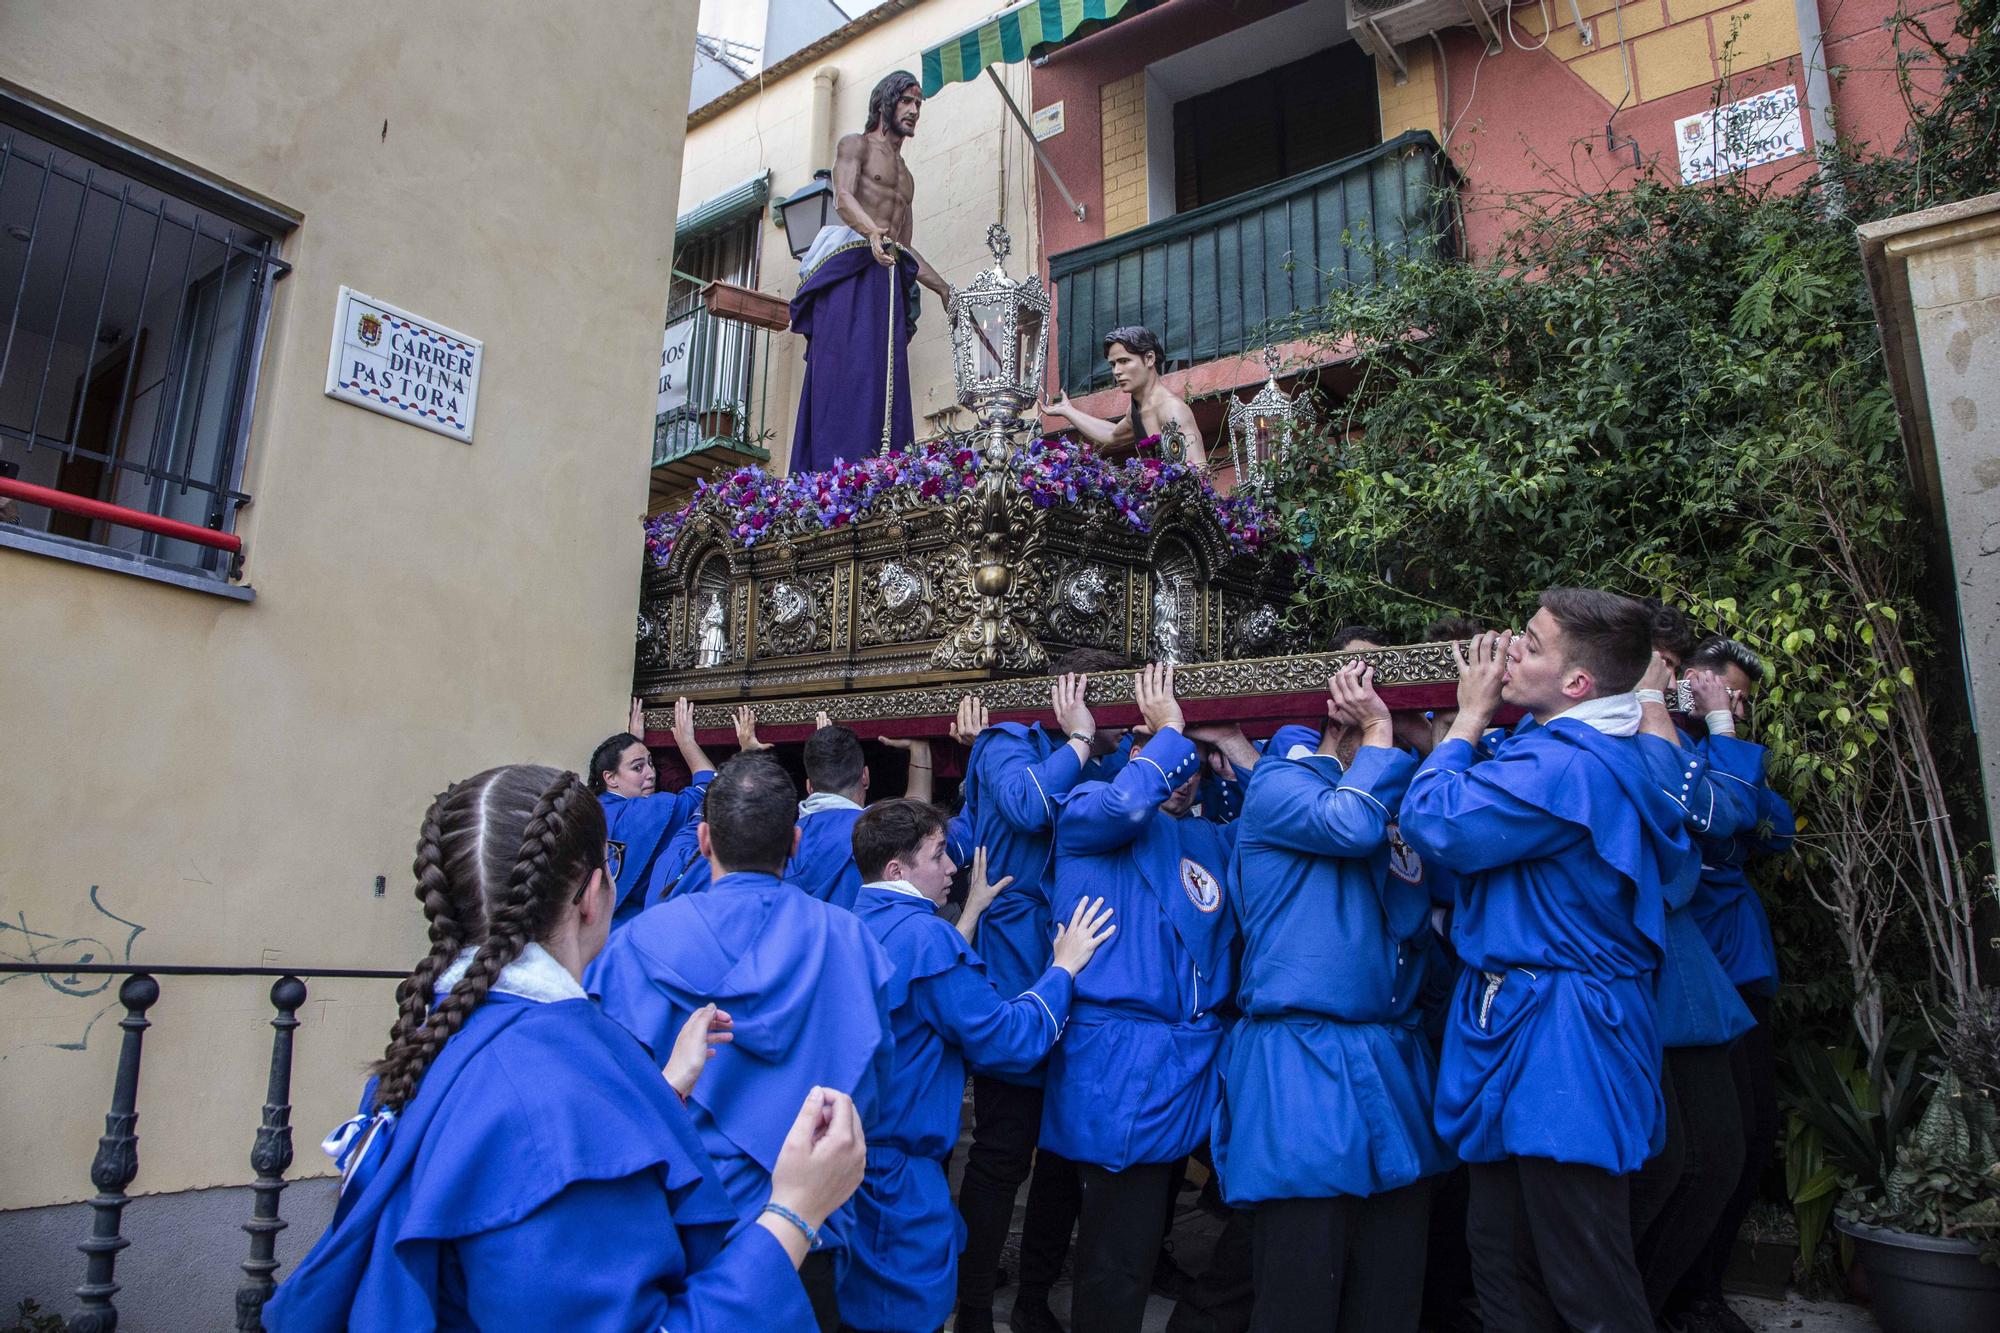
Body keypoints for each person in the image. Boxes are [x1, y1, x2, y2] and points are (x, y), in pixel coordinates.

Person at [262, 764, 863, 1332]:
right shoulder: (554, 1095)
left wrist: (665, 1090)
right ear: (593, 894)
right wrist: (795, 1211)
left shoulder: (446, 1033)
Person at [1397, 590, 1697, 1333]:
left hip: (1565, 1041)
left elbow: (1438, 821)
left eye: (1528, 643)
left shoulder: (1573, 766)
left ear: (1578, 685)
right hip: (1519, 1023)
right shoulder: (1562, 748)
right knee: (1500, 1255)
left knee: (1584, 1273)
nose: (1504, 652)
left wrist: (1467, 717)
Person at [588, 752, 898, 1330]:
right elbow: (874, 1095)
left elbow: (603, 1108)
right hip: (807, 1230)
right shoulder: (852, 943)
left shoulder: (634, 945)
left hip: (679, 1228)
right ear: (797, 842)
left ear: (703, 840)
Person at [1213, 663, 1455, 1333]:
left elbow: (1424, 905)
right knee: (1301, 1292)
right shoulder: (1282, 783)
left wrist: (1432, 743)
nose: (1396, 752)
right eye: (1383, 734)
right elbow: (1347, 825)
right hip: (1301, 1063)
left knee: (1390, 1289)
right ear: (1340, 718)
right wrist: (1379, 725)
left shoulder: (1389, 804)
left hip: (1389, 1058)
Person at [842, 802, 1117, 1333]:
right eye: (939, 855)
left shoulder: (846, 925)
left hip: (846, 1166)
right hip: (897, 1177)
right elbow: (1009, 1040)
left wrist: (967, 915)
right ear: (898, 869)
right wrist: (1062, 968)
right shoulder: (929, 939)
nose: (952, 868)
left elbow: (919, 984)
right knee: (904, 1315)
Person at [1044, 663, 1239, 1333]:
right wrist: (1171, 730)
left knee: (1262, 1197)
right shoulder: (1087, 814)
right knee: (1117, 1254)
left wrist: (1237, 749)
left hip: (1194, 1059)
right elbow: (1129, 803)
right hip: (1119, 1064)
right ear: (1139, 752)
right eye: (1168, 760)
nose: (1184, 776)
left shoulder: (1208, 837)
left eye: (1194, 766)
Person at [949, 651, 1131, 1333]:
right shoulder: (1007, 742)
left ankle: (1032, 1300)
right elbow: (1028, 806)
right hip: (1019, 977)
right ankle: (970, 1308)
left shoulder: (1111, 760)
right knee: (1002, 1154)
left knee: (1062, 1160)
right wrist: (1082, 735)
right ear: (1079, 695)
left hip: (1085, 980)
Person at [1627, 631, 1759, 1322]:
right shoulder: (1619, 728)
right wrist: (1652, 702)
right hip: (1644, 966)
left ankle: (1662, 1303)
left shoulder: (1658, 729)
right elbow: (1712, 815)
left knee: (1720, 1156)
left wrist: (1698, 720)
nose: (1673, 680)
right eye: (1667, 666)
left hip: (1691, 970)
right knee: (1675, 1164)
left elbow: (1743, 816)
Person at [1673, 637, 1795, 1333]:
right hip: (1703, 975)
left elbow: (1774, 825)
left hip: (1744, 969)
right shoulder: (1669, 752)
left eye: (1743, 697)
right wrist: (1722, 738)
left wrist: (1742, 798)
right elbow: (1733, 817)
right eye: (1730, 691)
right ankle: (1686, 1296)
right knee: (1714, 1145)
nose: (1738, 706)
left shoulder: (1721, 762)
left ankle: (1705, 1291)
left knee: (1753, 1140)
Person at [789, 71, 952, 472]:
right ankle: (832, 468)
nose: (914, 110)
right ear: (886, 103)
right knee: (847, 372)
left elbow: (905, 246)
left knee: (884, 378)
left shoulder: (907, 180)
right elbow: (843, 197)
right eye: (907, 101)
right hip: (852, 273)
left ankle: (882, 468)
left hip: (886, 281)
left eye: (918, 104)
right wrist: (871, 232)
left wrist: (945, 289)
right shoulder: (855, 146)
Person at [590, 696, 718, 925]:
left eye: (651, 763)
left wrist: (631, 746)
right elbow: (708, 789)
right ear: (610, 778)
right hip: (633, 926)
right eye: (638, 767)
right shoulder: (648, 811)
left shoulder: (588, 809)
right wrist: (687, 743)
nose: (651, 773)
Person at [1045, 327, 1208, 470]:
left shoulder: (1172, 409)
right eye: (1113, 364)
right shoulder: (1136, 409)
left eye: (1124, 361)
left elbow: (1199, 472)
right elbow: (1113, 435)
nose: (1117, 371)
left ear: (1149, 358)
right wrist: (1068, 411)